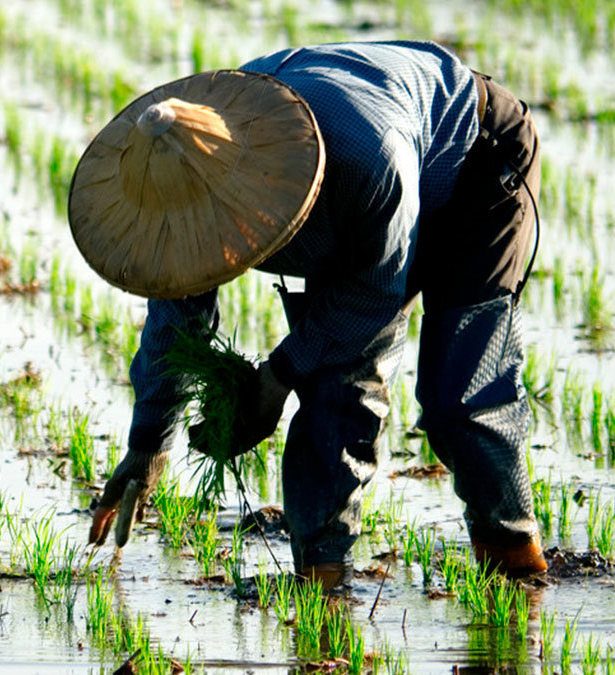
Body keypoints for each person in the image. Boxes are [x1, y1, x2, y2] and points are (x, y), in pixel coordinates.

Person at [67, 41, 546, 588]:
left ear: (249, 193)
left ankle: (515, 563)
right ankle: (323, 582)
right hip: (366, 170)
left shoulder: (364, 161)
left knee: (458, 398)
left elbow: (370, 299)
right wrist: (148, 442)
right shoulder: (193, 176)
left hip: (476, 168)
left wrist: (274, 378)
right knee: (335, 386)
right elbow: (177, 321)